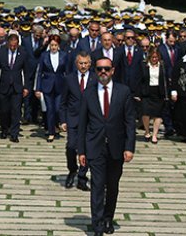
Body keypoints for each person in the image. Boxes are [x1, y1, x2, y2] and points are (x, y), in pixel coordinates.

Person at [78, 57, 136, 236]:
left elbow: (129, 122)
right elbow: (82, 123)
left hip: (116, 146)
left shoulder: (123, 91)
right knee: (97, 185)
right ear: (95, 71)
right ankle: (97, 225)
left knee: (112, 186)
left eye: (106, 69)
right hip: (95, 146)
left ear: (113, 70)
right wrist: (81, 150)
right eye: (99, 69)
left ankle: (108, 218)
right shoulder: (88, 93)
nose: (103, 72)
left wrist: (129, 147)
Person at [59, 51, 94, 191]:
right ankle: (72, 169)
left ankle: (82, 177)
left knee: (87, 149)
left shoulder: (95, 79)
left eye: (86, 63)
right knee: (71, 147)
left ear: (90, 64)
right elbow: (63, 102)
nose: (83, 66)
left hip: (91, 120)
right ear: (76, 64)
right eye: (81, 63)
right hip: (73, 119)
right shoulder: (69, 79)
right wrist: (62, 120)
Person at [0, 30, 32, 143]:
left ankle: (14, 133)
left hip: (17, 86)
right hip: (4, 85)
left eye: (15, 45)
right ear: (8, 43)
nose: (13, 47)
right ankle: (4, 129)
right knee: (4, 110)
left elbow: (26, 71)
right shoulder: (2, 52)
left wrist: (26, 87)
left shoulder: (23, 53)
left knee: (16, 111)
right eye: (11, 45)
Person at [35, 35, 68, 142]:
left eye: (55, 45)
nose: (53, 47)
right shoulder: (44, 55)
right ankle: (51, 131)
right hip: (47, 85)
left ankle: (56, 124)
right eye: (52, 45)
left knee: (58, 108)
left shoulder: (64, 55)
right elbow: (39, 73)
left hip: (60, 84)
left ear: (59, 45)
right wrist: (38, 88)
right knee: (50, 109)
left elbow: (67, 72)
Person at [137, 48, 169, 144]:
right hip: (147, 91)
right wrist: (137, 93)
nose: (154, 59)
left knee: (157, 114)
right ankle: (147, 131)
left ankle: (154, 134)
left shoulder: (162, 65)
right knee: (145, 112)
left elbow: (166, 79)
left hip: (158, 91)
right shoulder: (144, 65)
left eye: (156, 57)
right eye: (152, 57)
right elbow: (139, 79)